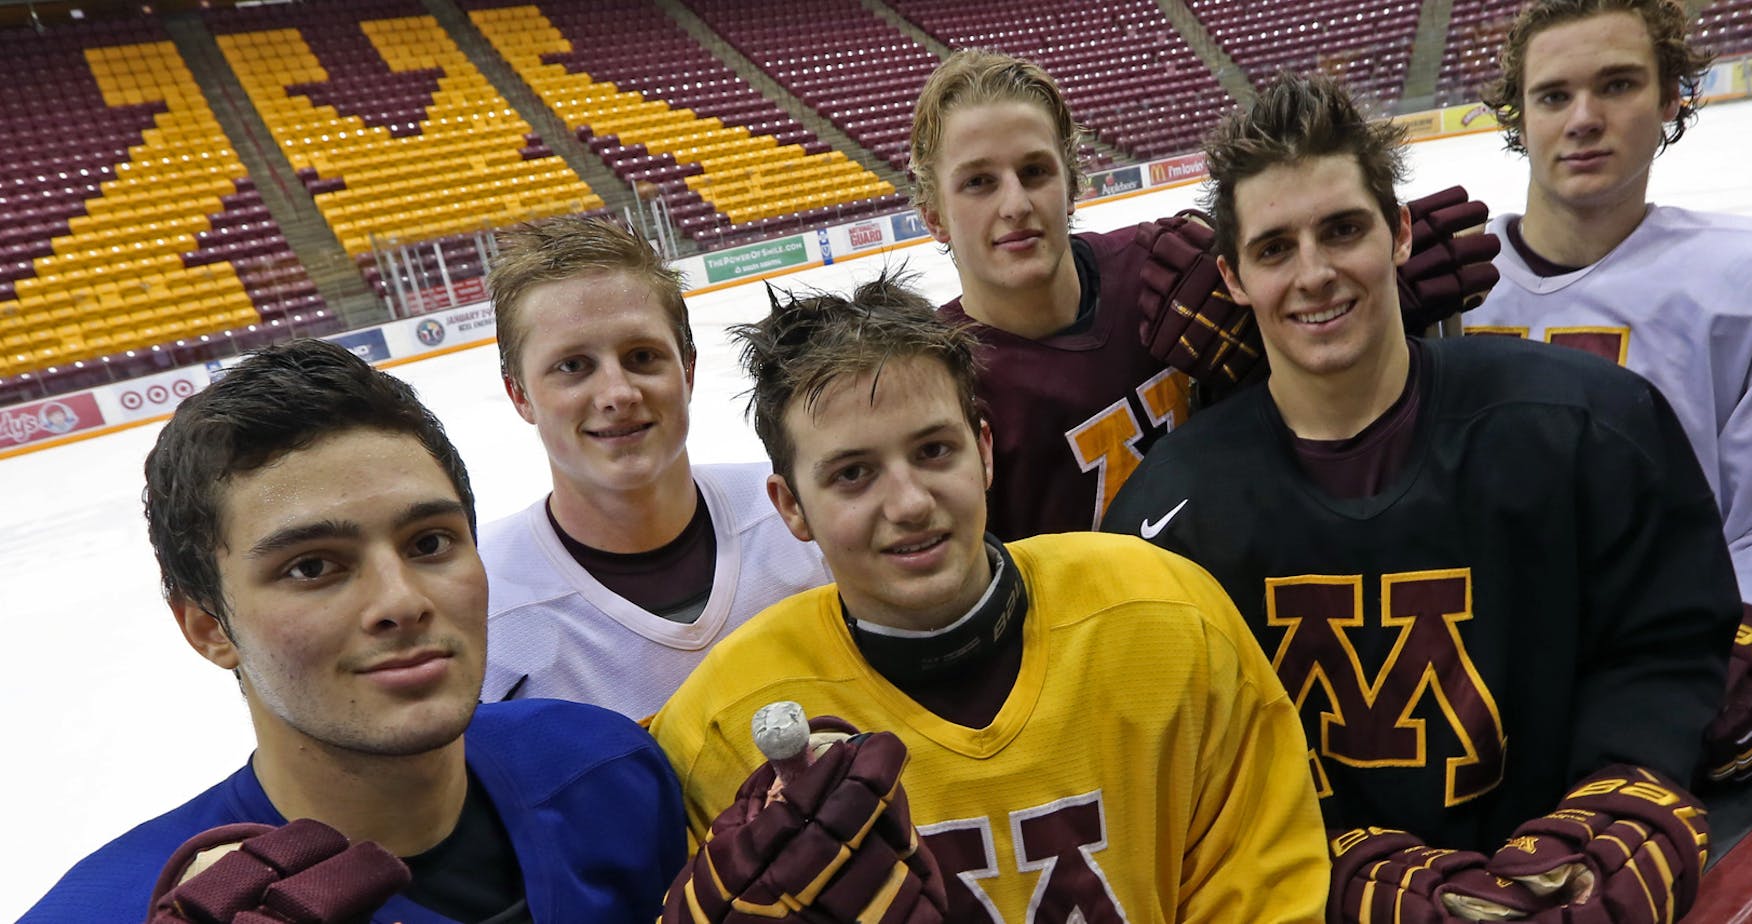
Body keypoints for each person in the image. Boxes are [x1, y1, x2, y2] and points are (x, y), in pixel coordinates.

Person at [1104, 72, 1736, 924]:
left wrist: (1626, 780)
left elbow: (1663, 641)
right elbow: (1183, 771)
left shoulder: (1585, 424)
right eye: (1275, 248)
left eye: (1343, 230)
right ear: (1236, 275)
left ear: (1399, 233)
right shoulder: (1170, 514)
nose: (1315, 273)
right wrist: (1327, 860)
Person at [645, 273, 1331, 921]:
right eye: (853, 473)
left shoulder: (1167, 615)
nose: (911, 503)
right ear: (791, 505)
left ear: (984, 450)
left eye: (934, 451)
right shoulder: (721, 726)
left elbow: (1266, 890)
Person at [25, 339, 683, 922]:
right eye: (312, 566)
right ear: (207, 626)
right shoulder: (112, 910)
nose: (401, 601)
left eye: (429, 542)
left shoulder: (607, 770)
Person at [1465, 0, 1752, 782]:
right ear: (1518, 117)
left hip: (1653, 674)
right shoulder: (1437, 281)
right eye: (1554, 96)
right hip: (1460, 676)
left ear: (1670, 100)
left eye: (1618, 85)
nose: (1584, 118)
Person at [908, 50, 1498, 539]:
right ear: (934, 215)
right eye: (979, 183)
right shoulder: (935, 383)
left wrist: (1361, 312)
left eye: (1035, 171)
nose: (1015, 204)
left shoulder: (1165, 265)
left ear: (1071, 183)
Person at [479, 216, 827, 719]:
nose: (618, 393)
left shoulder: (798, 515)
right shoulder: (486, 604)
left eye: (642, 356)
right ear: (520, 394)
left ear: (686, 370)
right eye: (573, 366)